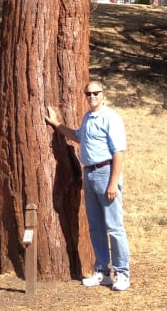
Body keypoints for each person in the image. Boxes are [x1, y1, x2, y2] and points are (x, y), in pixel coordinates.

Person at [45, 80, 131, 291]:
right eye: (88, 94)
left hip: (105, 172)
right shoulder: (88, 118)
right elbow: (77, 136)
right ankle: (102, 272)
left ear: (103, 94)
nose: (92, 97)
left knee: (114, 226)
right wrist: (56, 125)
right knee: (95, 226)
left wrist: (112, 183)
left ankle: (122, 273)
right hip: (89, 174)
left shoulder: (111, 118)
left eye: (96, 93)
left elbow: (118, 152)